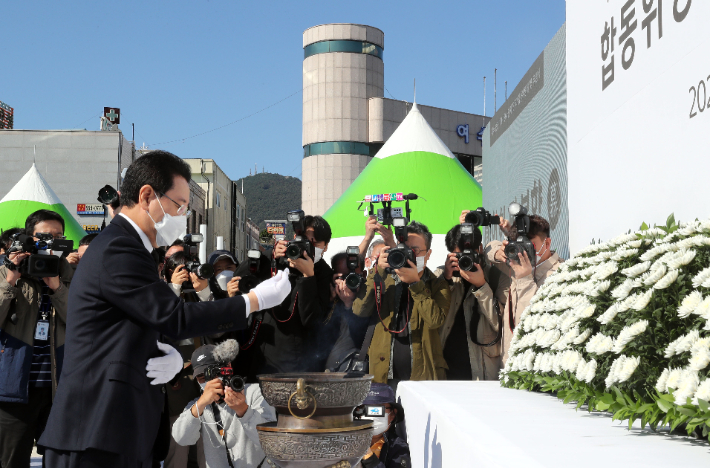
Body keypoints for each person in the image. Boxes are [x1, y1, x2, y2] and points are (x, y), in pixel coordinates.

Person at [38, 151, 292, 468]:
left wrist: (159, 353)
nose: (182, 215)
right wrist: (254, 301)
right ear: (147, 196)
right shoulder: (119, 247)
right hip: (95, 429)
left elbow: (123, 328)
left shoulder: (132, 249)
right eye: (179, 205)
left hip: (118, 430)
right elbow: (175, 317)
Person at [0, 210, 74, 468]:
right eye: (43, 236)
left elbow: (82, 324)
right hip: (14, 390)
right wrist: (10, 278)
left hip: (59, 391)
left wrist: (56, 286)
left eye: (57, 236)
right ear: (29, 238)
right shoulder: (6, 273)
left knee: (60, 462)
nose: (51, 242)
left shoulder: (71, 275)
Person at [352, 221, 451, 389]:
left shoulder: (437, 286)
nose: (410, 255)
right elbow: (359, 309)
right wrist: (378, 272)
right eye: (406, 250)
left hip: (422, 379)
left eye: (416, 251)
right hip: (382, 376)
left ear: (428, 254)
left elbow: (435, 320)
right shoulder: (385, 279)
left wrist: (415, 284)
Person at [172, 342, 276, 468]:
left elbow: (272, 442)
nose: (209, 381)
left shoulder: (255, 392)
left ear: (228, 367)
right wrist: (201, 403)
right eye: (201, 377)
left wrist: (243, 410)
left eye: (213, 373)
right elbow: (181, 438)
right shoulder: (198, 405)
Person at [479, 212, 562, 363]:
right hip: (509, 364)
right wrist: (499, 253)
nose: (523, 251)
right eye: (518, 245)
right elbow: (488, 248)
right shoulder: (515, 265)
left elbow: (530, 324)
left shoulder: (560, 275)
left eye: (529, 244)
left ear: (547, 244)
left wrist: (524, 279)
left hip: (534, 368)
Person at [436, 224, 502, 380]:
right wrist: (446, 280)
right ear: (450, 254)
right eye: (459, 256)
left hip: (482, 370)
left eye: (470, 254)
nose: (465, 260)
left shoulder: (494, 277)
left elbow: (501, 324)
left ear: (480, 249)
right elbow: (433, 318)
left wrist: (482, 286)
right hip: (447, 368)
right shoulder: (441, 275)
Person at [354, 383, 410, 468]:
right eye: (367, 408)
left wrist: (369, 457)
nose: (372, 415)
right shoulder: (343, 440)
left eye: (379, 409)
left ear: (392, 414)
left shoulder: (398, 447)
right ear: (358, 412)